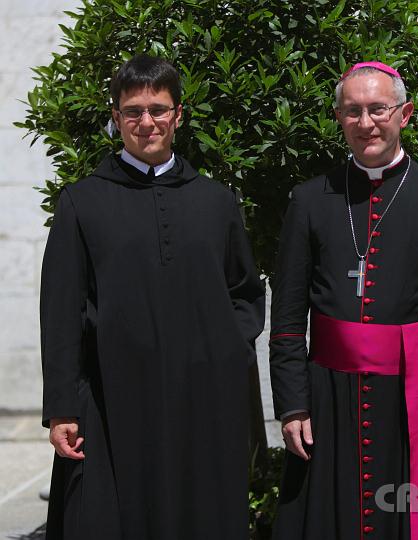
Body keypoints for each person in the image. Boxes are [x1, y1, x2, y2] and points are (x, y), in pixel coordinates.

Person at [40, 54, 265, 540]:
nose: (147, 122)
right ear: (116, 118)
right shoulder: (81, 201)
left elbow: (244, 293)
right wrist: (62, 407)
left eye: (158, 110)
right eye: (133, 111)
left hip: (203, 400)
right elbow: (60, 313)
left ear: (178, 115)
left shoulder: (217, 201)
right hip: (112, 399)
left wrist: (227, 355)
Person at [269, 61, 418, 539]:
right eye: (353, 112)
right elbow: (285, 319)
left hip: (414, 400)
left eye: (378, 109)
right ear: (340, 119)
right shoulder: (309, 200)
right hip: (327, 400)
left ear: (404, 114)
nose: (366, 123)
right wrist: (292, 405)